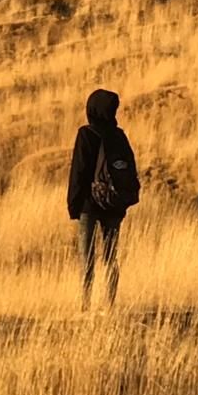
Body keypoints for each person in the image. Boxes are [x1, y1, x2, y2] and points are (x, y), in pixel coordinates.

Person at [67, 89, 140, 311]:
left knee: (86, 258)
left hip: (88, 205)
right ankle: (110, 305)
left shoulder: (86, 134)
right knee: (110, 257)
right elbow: (129, 170)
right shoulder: (119, 136)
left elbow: (78, 171)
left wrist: (74, 205)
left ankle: (85, 306)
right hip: (113, 205)